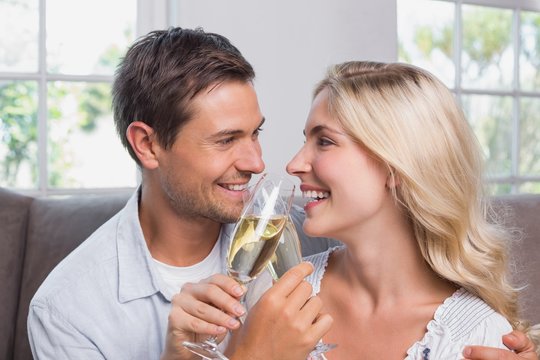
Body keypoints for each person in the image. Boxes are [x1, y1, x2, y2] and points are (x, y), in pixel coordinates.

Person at [26, 26, 536, 359]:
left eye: (257, 133)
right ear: (147, 144)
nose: (266, 165)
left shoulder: (288, 237)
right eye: (226, 140)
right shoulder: (68, 312)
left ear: (397, 167)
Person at [176, 61, 540, 360]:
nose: (294, 163)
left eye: (325, 141)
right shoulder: (277, 293)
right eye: (306, 140)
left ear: (396, 165)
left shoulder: (476, 336)